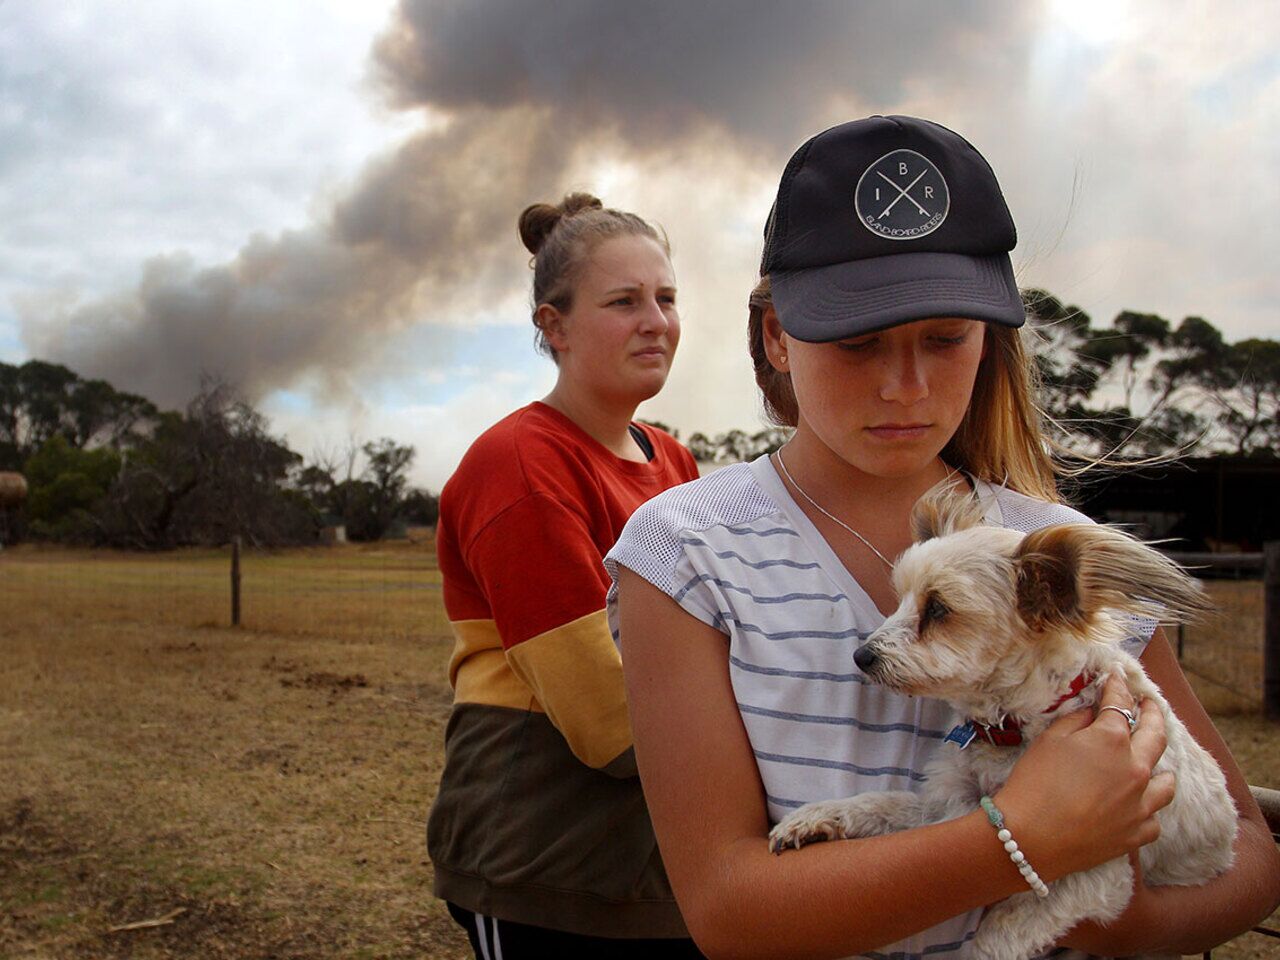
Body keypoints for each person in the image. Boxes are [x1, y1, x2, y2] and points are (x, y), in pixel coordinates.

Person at [605, 116, 1280, 959]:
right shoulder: (684, 551)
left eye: (945, 338)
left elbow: (1251, 859)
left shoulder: (1062, 560)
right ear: (776, 335)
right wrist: (1026, 838)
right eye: (857, 341)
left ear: (990, 338)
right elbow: (729, 912)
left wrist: (1115, 906)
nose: (905, 385)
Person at [427, 193, 705, 958]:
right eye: (624, 301)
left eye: (667, 298)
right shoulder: (521, 463)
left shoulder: (673, 460)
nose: (656, 321)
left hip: (654, 861)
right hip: (544, 855)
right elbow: (607, 722)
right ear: (553, 326)